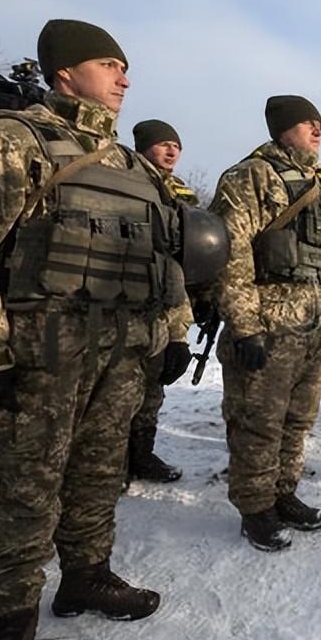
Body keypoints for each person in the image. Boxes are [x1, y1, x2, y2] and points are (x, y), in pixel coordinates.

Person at [0, 19, 201, 640]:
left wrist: (172, 331)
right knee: (27, 487)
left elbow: (164, 262)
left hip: (122, 350)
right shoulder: (7, 142)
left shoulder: (134, 169)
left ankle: (86, 574)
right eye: (110, 65)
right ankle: (11, 616)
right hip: (39, 353)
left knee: (99, 473)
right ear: (66, 73)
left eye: (125, 68)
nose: (124, 78)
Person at [210, 95, 321, 551]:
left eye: (320, 122)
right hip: (269, 322)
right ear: (283, 128)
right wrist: (244, 325)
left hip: (314, 323)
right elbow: (232, 252)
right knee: (259, 421)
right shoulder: (250, 176)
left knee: (297, 420)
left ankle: (283, 491)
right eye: (307, 121)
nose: (317, 128)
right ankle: (254, 505)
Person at [125, 119, 196, 483]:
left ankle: (141, 454)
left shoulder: (181, 194)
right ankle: (112, 461)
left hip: (167, 300)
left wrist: (181, 332)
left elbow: (183, 262)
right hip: (125, 303)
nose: (171, 151)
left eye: (176, 145)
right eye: (162, 144)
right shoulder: (125, 181)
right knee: (122, 392)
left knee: (153, 388)